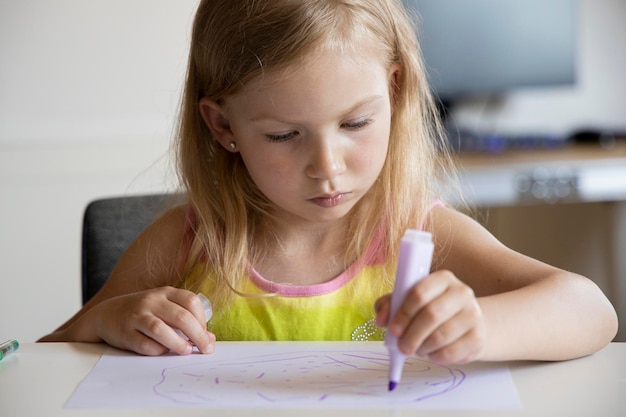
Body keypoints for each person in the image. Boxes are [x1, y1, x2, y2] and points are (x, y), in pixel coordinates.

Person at [40, 0, 617, 364]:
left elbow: (591, 309)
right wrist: (102, 320)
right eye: (284, 136)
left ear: (394, 91)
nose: (329, 167)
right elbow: (41, 361)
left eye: (355, 123)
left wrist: (481, 326)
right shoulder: (190, 241)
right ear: (223, 126)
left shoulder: (417, 231)